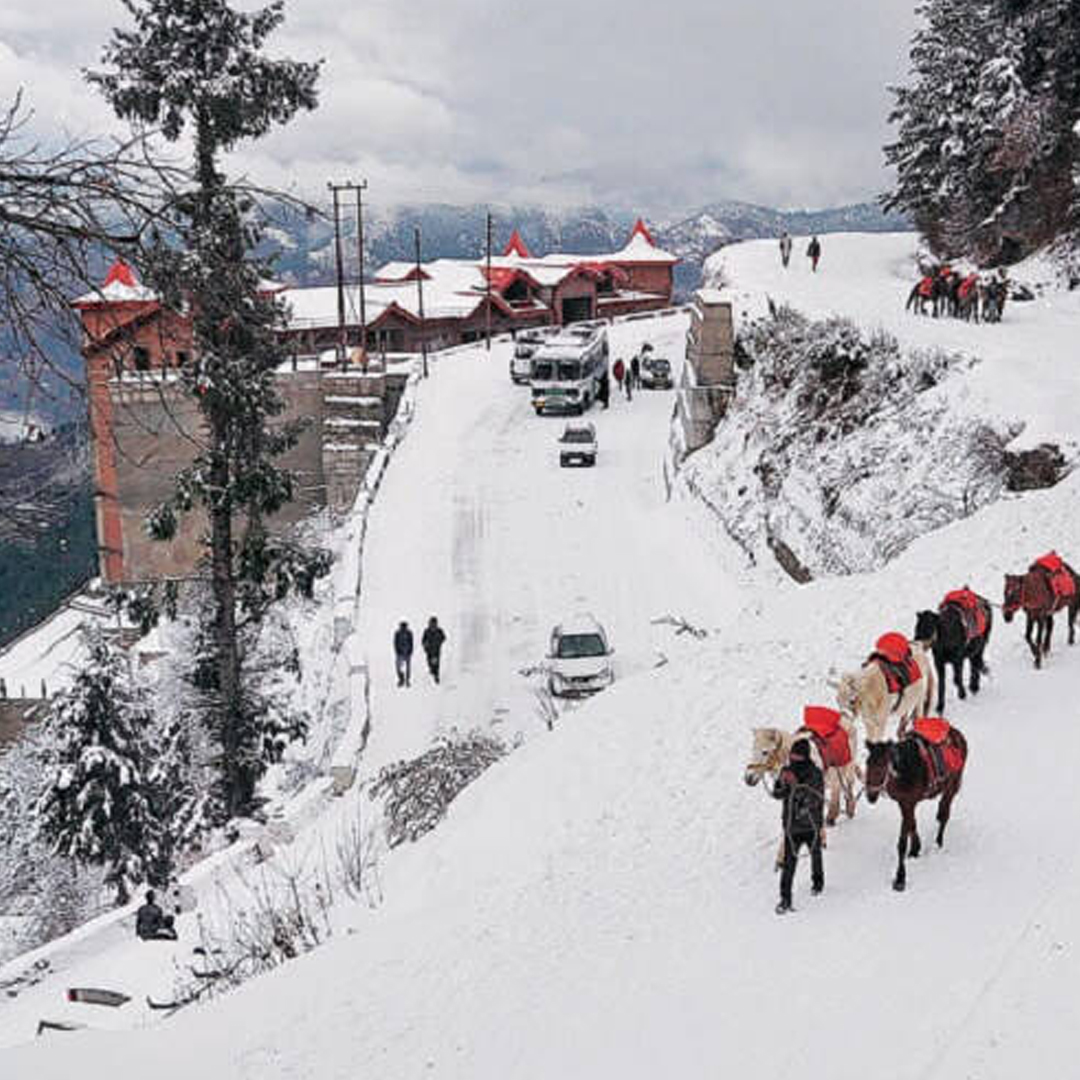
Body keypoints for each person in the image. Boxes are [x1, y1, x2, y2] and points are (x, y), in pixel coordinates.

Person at [771, 738, 825, 914]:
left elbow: (815, 799)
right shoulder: (786, 771)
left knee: (816, 856)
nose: (793, 759)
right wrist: (780, 783)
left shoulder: (815, 774)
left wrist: (795, 786)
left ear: (805, 756)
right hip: (791, 827)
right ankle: (785, 899)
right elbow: (778, 794)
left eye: (797, 757)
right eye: (792, 756)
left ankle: (818, 883)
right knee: (789, 865)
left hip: (811, 826)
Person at [421, 616, 447, 684]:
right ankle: (432, 670)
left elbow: (444, 638)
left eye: (434, 623)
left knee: (436, 663)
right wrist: (425, 644)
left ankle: (436, 676)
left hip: (436, 650)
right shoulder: (427, 631)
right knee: (429, 662)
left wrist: (439, 642)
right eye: (431, 623)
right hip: (429, 650)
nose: (433, 625)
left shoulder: (439, 630)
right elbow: (423, 640)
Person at [393, 620, 414, 688]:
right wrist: (397, 651)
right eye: (402, 627)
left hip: (407, 652)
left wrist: (410, 651)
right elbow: (395, 643)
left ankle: (407, 680)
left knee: (408, 668)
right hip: (399, 653)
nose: (403, 628)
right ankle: (401, 678)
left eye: (404, 627)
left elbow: (411, 642)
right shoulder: (397, 633)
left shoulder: (409, 633)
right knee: (398, 667)